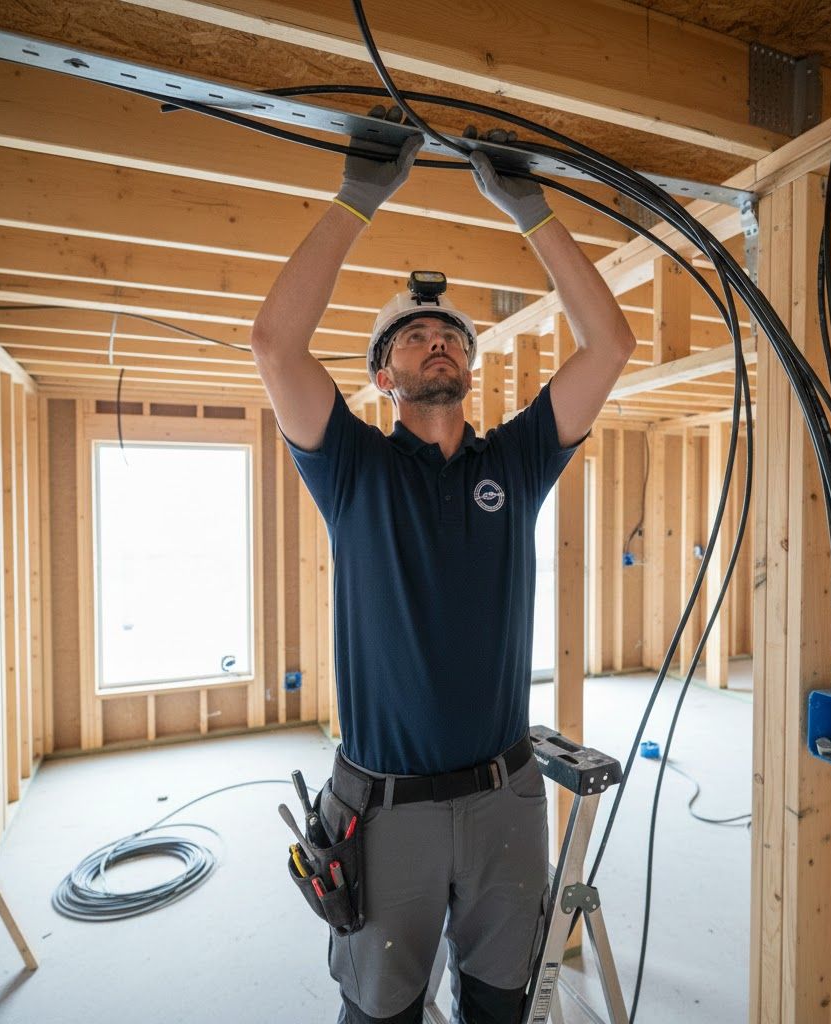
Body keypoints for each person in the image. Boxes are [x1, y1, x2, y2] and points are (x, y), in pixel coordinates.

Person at [251, 122, 636, 1024]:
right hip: (387, 815)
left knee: (502, 1008)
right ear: (383, 377)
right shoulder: (351, 467)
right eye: (415, 337)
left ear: (469, 367)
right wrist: (358, 198)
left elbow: (608, 345)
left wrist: (531, 211)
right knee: (382, 1012)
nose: (438, 344)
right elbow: (275, 343)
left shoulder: (517, 460)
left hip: (507, 797)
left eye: (452, 338)